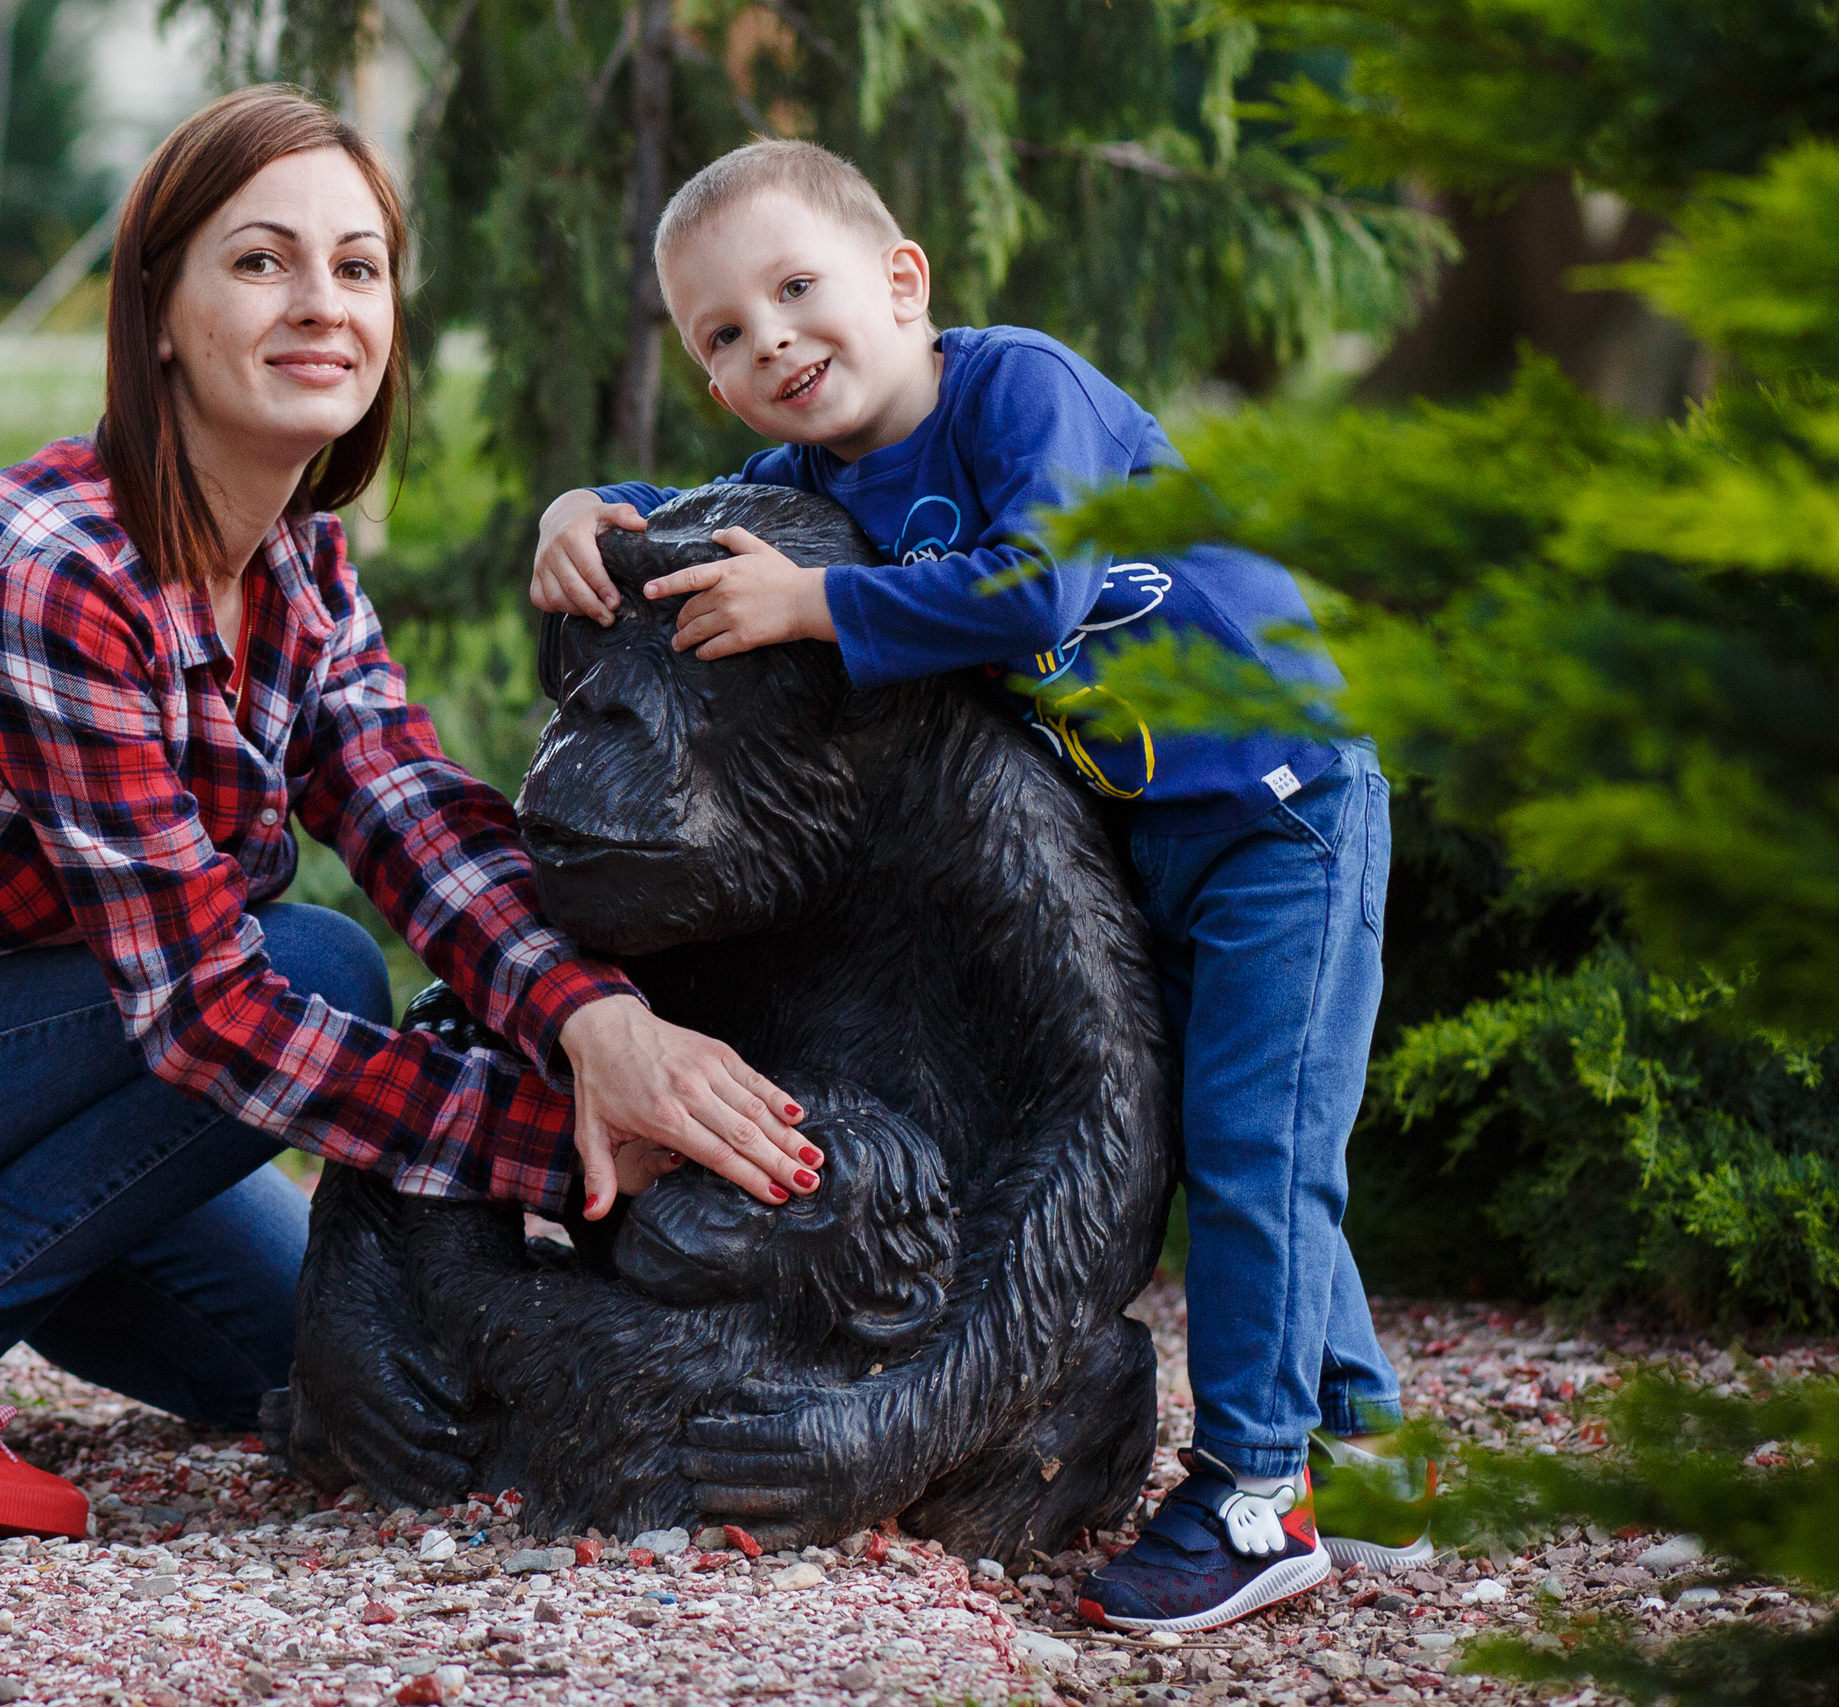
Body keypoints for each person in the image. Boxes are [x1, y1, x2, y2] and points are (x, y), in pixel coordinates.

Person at [0, 87, 825, 1540]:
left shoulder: (298, 562)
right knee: (316, 967)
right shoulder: (47, 573)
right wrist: (560, 1144)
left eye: (357, 267)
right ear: (159, 310)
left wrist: (596, 1024)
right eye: (260, 261)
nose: (322, 305)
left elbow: (414, 818)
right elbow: (206, 1018)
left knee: (322, 1366)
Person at [531, 139, 1430, 1632]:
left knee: (1258, 1145)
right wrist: (579, 507)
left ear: (903, 281)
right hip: (1153, 835)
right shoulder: (818, 475)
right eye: (726, 335)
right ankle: (1372, 1460)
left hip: (1281, 810)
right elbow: (682, 510)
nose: (773, 341)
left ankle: (1257, 1496)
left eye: (797, 289)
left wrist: (816, 602)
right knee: (1248, 1131)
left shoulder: (1019, 390)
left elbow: (1042, 584)